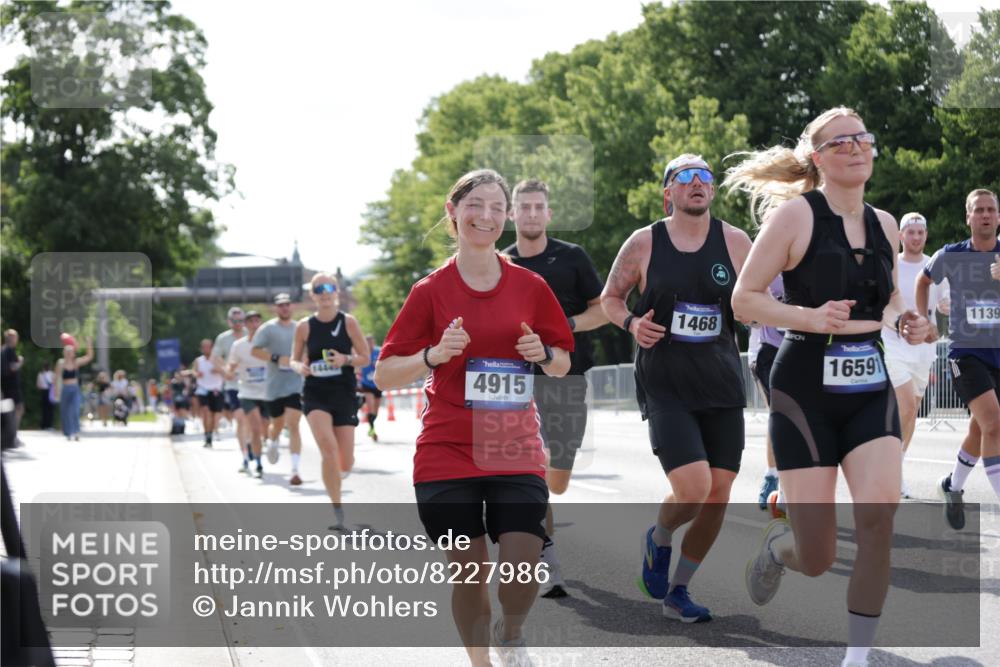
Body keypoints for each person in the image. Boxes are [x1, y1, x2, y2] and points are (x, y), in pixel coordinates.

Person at [726, 107, 928, 667]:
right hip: (804, 388)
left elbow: (886, 297)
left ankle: (857, 657)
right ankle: (778, 547)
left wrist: (904, 316)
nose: (857, 147)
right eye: (841, 142)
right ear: (818, 158)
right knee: (816, 555)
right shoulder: (794, 218)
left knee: (878, 521)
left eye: (864, 137)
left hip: (869, 381)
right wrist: (812, 317)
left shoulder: (887, 223)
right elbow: (745, 300)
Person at [374, 169, 574, 667]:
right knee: (468, 571)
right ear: (452, 212)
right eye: (473, 205)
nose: (484, 215)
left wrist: (543, 352)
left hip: (514, 446)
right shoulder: (429, 291)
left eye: (494, 207)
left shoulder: (530, 286)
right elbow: (382, 374)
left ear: (506, 218)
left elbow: (563, 359)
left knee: (519, 574)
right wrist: (434, 355)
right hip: (448, 452)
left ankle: (513, 629)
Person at [602, 154, 752, 623]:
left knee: (720, 493)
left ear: (713, 188)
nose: (696, 183)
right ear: (668, 192)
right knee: (693, 487)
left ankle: (680, 591)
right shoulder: (644, 243)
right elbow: (610, 298)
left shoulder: (736, 241)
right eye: (684, 177)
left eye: (704, 176)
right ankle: (660, 535)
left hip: (722, 381)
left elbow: (757, 298)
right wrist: (630, 322)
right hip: (666, 383)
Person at [503, 178, 608, 599]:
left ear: (548, 214)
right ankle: (546, 557)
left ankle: (540, 512)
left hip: (566, 377)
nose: (530, 214)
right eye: (523, 207)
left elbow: (602, 311)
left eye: (537, 207)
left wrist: (565, 327)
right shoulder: (500, 263)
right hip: (514, 382)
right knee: (532, 470)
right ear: (512, 214)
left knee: (557, 478)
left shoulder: (571, 258)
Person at [916, 188, 1000, 529]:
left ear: (998, 216)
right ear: (968, 217)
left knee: (981, 429)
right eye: (978, 209)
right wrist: (925, 320)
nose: (984, 215)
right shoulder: (950, 255)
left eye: (990, 209)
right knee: (995, 423)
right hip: (966, 353)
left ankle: (953, 486)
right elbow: (924, 282)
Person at [291, 274, 370, 529]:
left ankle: (341, 474)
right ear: (312, 294)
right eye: (318, 289)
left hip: (344, 393)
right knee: (328, 448)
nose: (324, 293)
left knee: (345, 462)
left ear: (336, 291)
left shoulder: (348, 322)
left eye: (329, 288)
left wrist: (345, 360)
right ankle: (337, 511)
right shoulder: (304, 326)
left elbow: (365, 357)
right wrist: (299, 367)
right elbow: (294, 359)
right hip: (315, 393)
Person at [883, 212, 950, 498]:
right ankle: (889, 475)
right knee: (906, 407)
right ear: (900, 236)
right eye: (911, 232)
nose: (917, 237)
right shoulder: (892, 266)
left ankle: (895, 469)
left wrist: (948, 307)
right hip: (895, 346)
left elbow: (945, 303)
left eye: (921, 232)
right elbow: (884, 305)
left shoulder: (933, 267)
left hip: (924, 351)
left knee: (911, 415)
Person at [252, 293, 305, 485]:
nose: (284, 308)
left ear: (292, 307)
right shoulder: (268, 329)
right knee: (277, 424)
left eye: (287, 305)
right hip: (274, 386)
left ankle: (295, 469)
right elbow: (255, 350)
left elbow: (308, 350)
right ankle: (273, 441)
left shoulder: (300, 327)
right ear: (276, 308)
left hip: (295, 384)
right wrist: (276, 358)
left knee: (294, 425)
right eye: (281, 305)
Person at [748, 276, 785, 509]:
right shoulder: (762, 264)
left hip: (805, 349)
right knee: (780, 415)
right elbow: (744, 314)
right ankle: (772, 477)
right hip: (765, 352)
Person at [227, 310, 269, 477]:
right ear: (246, 325)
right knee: (256, 427)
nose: (254, 324)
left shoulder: (269, 344)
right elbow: (231, 364)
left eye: (257, 321)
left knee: (266, 428)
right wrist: (229, 370)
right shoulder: (239, 345)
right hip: (247, 392)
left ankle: (255, 444)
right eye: (250, 321)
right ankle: (258, 463)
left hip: (268, 392)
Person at [213, 307, 247, 459]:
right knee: (240, 418)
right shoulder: (223, 338)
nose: (238, 323)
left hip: (254, 384)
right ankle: (245, 454)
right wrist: (224, 372)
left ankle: (253, 444)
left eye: (240, 320)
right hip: (233, 385)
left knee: (254, 420)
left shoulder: (252, 335)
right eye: (234, 321)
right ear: (229, 322)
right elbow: (215, 359)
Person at [54, 334, 95, 441]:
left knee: (75, 410)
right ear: (64, 353)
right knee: (65, 411)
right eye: (67, 351)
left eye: (70, 351)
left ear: (73, 353)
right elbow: (56, 378)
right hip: (65, 389)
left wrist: (89, 343)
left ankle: (76, 432)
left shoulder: (76, 363)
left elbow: (89, 356)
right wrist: (56, 392)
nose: (68, 353)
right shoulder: (61, 363)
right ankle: (68, 432)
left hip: (75, 389)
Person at [193, 339, 225, 447]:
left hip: (215, 389)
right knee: (206, 412)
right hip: (202, 389)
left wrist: (218, 370)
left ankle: (210, 434)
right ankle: (206, 435)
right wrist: (197, 374)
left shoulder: (217, 359)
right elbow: (194, 371)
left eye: (208, 346)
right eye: (204, 347)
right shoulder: (198, 360)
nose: (206, 349)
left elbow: (225, 370)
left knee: (213, 414)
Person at [357, 335, 382, 442]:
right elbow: (356, 366)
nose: (370, 345)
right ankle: (372, 430)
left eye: (371, 342)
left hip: (378, 384)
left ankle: (371, 423)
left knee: (376, 412)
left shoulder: (379, 351)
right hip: (366, 384)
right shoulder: (362, 353)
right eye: (367, 343)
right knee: (371, 407)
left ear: (374, 342)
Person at [1, 330, 24, 437]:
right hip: (12, 387)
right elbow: (12, 367)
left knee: (7, 410)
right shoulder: (9, 350)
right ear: (12, 338)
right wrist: (20, 361)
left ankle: (8, 435)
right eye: (16, 337)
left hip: (5, 386)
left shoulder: (3, 350)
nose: (17, 339)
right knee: (18, 408)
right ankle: (12, 435)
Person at [36, 362, 55, 430]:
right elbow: (54, 384)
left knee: (44, 410)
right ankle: (50, 426)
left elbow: (38, 386)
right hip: (51, 393)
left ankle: (43, 425)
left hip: (43, 393)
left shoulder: (40, 374)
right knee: (50, 410)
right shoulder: (52, 374)